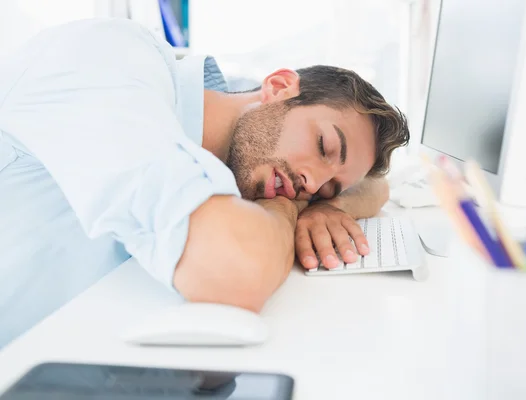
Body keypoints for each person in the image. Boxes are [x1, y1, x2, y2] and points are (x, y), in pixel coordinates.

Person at [0, 18, 409, 347]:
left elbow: (377, 187)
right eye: (323, 146)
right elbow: (236, 273)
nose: (311, 182)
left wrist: (331, 205)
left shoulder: (234, 133)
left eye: (326, 188)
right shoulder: (108, 62)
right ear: (278, 87)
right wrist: (289, 207)